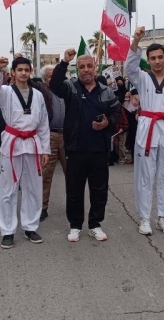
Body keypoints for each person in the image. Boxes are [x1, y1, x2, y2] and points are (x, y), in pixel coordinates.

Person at [50, 49, 120, 242]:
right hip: (75, 149)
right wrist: (64, 62)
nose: (86, 70)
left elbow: (116, 113)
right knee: (74, 190)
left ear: (95, 67)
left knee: (99, 191)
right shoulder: (71, 88)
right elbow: (54, 85)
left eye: (89, 66)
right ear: (77, 69)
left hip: (99, 150)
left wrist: (108, 123)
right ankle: (75, 225)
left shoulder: (106, 91)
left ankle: (95, 224)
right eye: (82, 67)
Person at [0, 56, 50, 249]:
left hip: (32, 142)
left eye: (26, 70)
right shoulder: (4, 91)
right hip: (12, 142)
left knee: (33, 187)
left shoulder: (37, 95)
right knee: (8, 188)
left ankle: (30, 226)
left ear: (30, 72)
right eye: (19, 69)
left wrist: (45, 149)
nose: (23, 73)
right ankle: (7, 230)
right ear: (12, 72)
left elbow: (43, 123)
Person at [126, 27, 164, 236]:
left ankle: (163, 217)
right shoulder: (142, 78)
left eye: (160, 57)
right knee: (145, 176)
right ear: (148, 60)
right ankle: (145, 218)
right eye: (153, 58)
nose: (157, 61)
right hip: (148, 131)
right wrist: (136, 41)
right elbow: (129, 67)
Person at [34, 65, 65, 221]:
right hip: (49, 135)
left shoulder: (67, 90)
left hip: (67, 136)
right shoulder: (41, 91)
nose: (53, 78)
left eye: (55, 75)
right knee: (45, 174)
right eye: (50, 76)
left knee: (72, 174)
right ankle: (42, 207)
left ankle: (73, 205)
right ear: (45, 79)